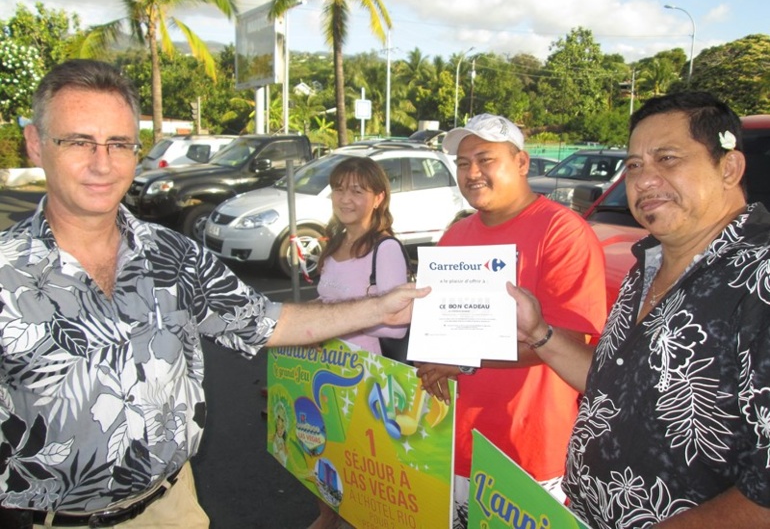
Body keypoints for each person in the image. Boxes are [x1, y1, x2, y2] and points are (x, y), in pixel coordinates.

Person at [0, 59, 427, 529]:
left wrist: (381, 305)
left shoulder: (175, 255)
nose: (102, 162)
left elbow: (266, 320)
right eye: (79, 141)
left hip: (173, 509)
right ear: (37, 145)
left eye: (118, 143)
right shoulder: (7, 271)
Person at [510, 91, 770, 528]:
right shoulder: (647, 264)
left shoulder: (759, 280)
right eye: (633, 165)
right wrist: (540, 333)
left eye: (667, 159)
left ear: (729, 168)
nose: (643, 180)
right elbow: (615, 383)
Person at [415, 113, 607, 528]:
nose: (472, 172)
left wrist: (461, 360)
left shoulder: (562, 232)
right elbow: (441, 331)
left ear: (522, 163)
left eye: (485, 159)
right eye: (463, 163)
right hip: (454, 442)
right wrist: (428, 354)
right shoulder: (455, 235)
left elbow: (569, 341)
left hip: (528, 452)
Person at [308, 156, 409, 529]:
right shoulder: (334, 243)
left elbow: (397, 328)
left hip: (364, 381)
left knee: (363, 466)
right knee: (321, 449)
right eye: (338, 188)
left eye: (357, 190)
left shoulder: (385, 250)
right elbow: (326, 302)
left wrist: (333, 325)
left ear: (378, 197)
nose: (345, 198)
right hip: (323, 373)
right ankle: (326, 516)